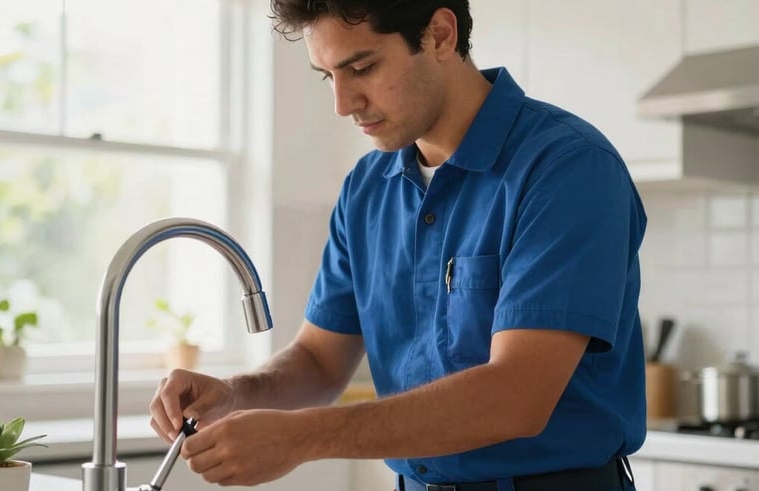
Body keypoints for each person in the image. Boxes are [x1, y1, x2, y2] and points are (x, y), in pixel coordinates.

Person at [149, 1, 647, 490]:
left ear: (441, 35)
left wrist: (302, 438)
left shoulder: (567, 167)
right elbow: (320, 363)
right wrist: (234, 395)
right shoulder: (367, 188)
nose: (343, 103)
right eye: (327, 76)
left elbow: (517, 395)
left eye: (361, 67)